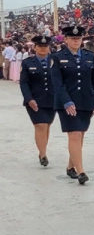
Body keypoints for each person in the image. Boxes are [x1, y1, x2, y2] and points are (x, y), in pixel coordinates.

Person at [51, 25, 94, 185]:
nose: (75, 41)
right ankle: (81, 172)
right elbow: (57, 83)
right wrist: (67, 101)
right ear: (65, 40)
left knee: (80, 135)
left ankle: (70, 167)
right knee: (74, 134)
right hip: (66, 102)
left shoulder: (89, 56)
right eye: (72, 38)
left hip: (86, 100)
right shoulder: (58, 57)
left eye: (78, 38)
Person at [19, 34, 56, 166]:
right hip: (35, 100)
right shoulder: (27, 62)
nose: (43, 48)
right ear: (34, 47)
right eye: (40, 46)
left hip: (52, 99)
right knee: (40, 125)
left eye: (45, 46)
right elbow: (24, 83)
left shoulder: (55, 61)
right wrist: (29, 99)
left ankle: (42, 151)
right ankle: (43, 154)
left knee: (47, 126)